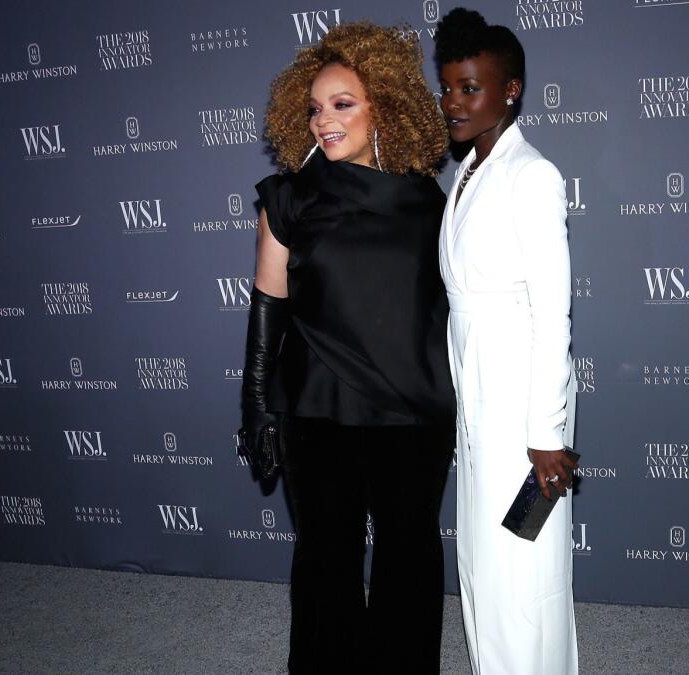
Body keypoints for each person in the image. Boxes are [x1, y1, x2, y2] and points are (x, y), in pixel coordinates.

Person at [239, 22, 454, 674]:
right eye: (313, 108)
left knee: (407, 553)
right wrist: (255, 401)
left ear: (384, 106)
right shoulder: (288, 200)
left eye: (343, 104)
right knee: (325, 556)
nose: (323, 121)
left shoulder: (429, 201)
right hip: (316, 407)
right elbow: (267, 307)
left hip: (411, 412)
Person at [435, 8, 580, 674]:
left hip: (522, 401)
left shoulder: (533, 174)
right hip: (477, 393)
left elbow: (554, 313)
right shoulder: (465, 172)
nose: (454, 102)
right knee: (483, 563)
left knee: (522, 571)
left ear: (511, 90)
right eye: (448, 86)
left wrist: (546, 430)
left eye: (471, 87)